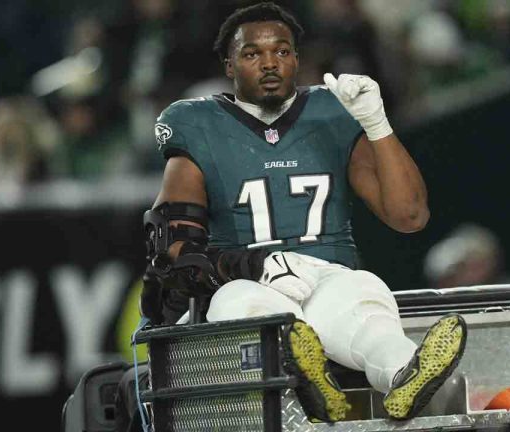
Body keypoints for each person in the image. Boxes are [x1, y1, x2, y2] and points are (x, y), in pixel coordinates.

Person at [143, 2, 466, 423]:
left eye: (281, 51)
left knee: (363, 300)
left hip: (326, 276)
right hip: (244, 282)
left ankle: (404, 371)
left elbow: (409, 216)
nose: (270, 63)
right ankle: (302, 371)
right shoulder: (198, 124)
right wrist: (254, 264)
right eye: (252, 53)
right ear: (229, 65)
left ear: (297, 58)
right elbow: (173, 254)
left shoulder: (331, 112)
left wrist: (377, 121)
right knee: (247, 307)